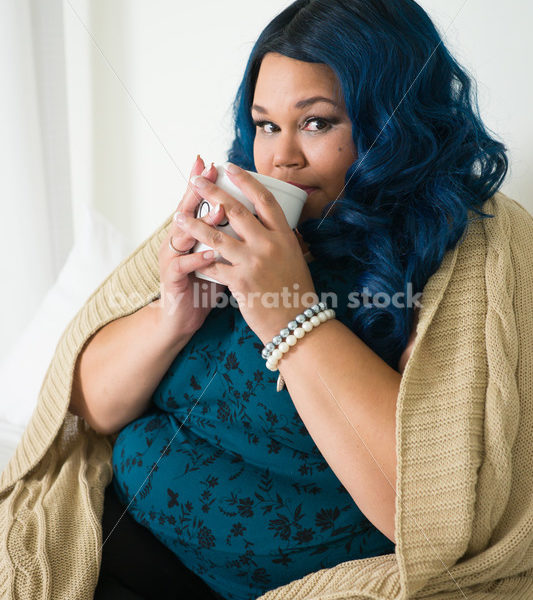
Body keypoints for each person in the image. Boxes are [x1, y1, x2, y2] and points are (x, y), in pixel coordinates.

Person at [3, 1, 533, 599]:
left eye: (317, 122)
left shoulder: (474, 255)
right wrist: (173, 317)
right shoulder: (240, 207)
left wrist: (293, 318)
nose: (281, 156)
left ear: (396, 120)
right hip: (104, 542)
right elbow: (87, 409)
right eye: (264, 124)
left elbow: (428, 505)